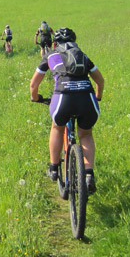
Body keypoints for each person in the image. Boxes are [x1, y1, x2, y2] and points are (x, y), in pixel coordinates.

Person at [29, 27, 104, 194]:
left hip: (63, 98)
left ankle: (54, 168)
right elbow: (100, 80)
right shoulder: (82, 55)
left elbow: (33, 84)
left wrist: (36, 98)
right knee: (86, 134)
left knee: (57, 127)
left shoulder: (50, 55)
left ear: (55, 43)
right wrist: (98, 97)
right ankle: (89, 175)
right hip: (87, 99)